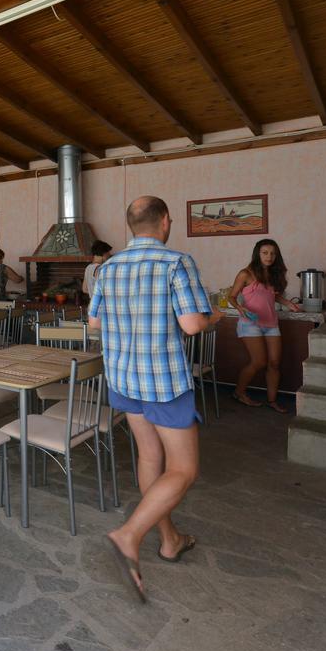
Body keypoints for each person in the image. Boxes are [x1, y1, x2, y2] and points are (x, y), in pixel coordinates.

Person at [88, 196, 220, 603]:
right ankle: (129, 534)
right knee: (183, 469)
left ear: (131, 225)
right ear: (164, 222)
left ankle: (169, 540)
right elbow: (192, 325)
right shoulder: (176, 263)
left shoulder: (107, 268)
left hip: (123, 378)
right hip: (162, 381)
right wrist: (215, 317)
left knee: (150, 458)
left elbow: (94, 323)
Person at [229, 239, 303, 413]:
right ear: (258, 254)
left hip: (271, 323)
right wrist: (240, 307)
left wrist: (288, 303)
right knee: (259, 362)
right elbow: (231, 296)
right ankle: (239, 393)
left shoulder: (272, 274)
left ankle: (272, 400)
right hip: (250, 323)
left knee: (274, 363)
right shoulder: (245, 274)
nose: (269, 256)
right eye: (265, 253)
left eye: (273, 253)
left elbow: (272, 295)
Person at [81, 240, 113, 306]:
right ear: (104, 254)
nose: (109, 256)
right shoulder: (100, 269)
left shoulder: (88, 268)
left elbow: (84, 289)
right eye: (108, 254)